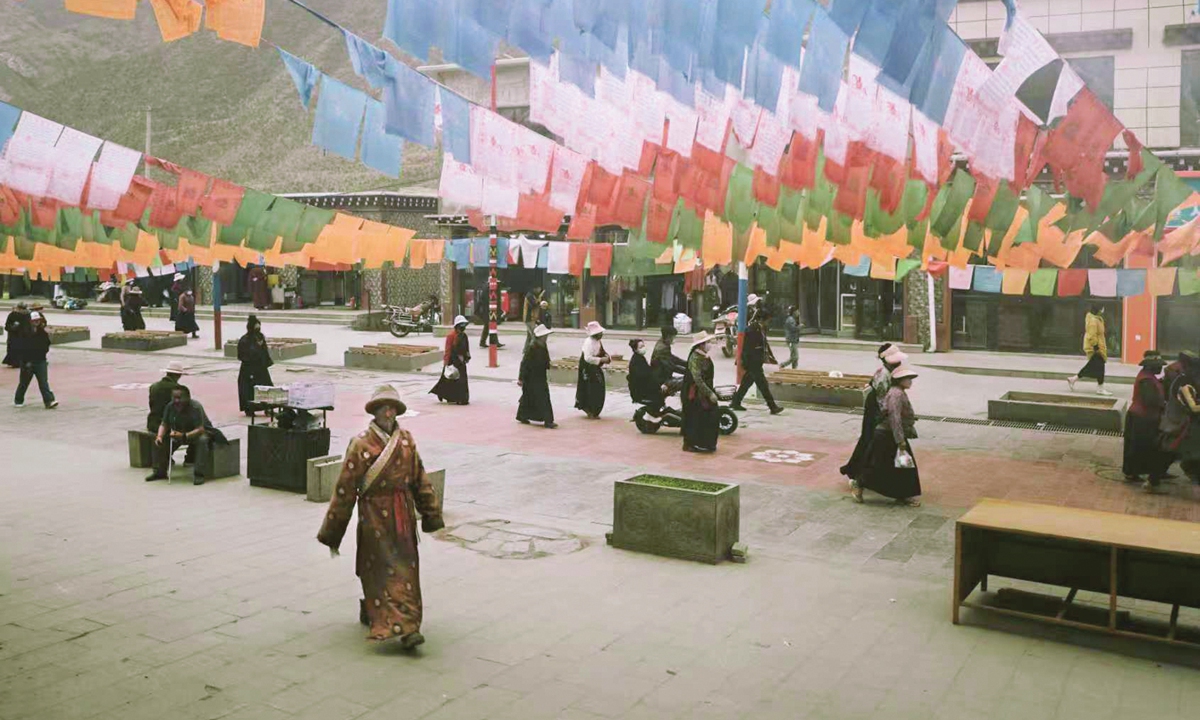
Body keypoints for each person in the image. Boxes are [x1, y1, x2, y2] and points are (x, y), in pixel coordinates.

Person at [317, 385, 444, 649]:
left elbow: (419, 478)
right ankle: (398, 624)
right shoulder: (360, 443)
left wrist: (431, 513)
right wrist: (333, 531)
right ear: (375, 412)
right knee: (379, 569)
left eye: (392, 408)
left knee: (406, 569)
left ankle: (404, 623)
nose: (388, 413)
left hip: (402, 514)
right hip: (373, 515)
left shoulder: (406, 440)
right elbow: (345, 489)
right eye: (383, 408)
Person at [852, 364, 922, 506]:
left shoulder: (899, 392)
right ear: (899, 380)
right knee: (878, 465)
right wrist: (900, 440)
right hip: (886, 435)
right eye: (907, 378)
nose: (910, 381)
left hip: (892, 433)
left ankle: (903, 494)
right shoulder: (896, 394)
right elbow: (894, 418)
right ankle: (859, 485)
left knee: (903, 466)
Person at [840, 344, 908, 482]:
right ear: (885, 361)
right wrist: (887, 417)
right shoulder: (883, 375)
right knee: (870, 439)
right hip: (875, 407)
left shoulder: (889, 371)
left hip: (878, 404)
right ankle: (857, 472)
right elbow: (883, 400)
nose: (899, 363)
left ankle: (856, 469)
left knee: (869, 439)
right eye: (895, 361)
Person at [146, 386, 214, 485]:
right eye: (174, 398)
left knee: (202, 441)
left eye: (179, 398)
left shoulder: (196, 407)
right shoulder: (170, 406)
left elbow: (200, 429)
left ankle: (199, 474)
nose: (176, 401)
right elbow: (164, 424)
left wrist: (184, 435)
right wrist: (159, 436)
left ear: (187, 398)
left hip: (197, 433)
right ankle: (159, 472)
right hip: (179, 433)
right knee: (159, 440)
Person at [1123, 351, 1170, 490]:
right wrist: (1164, 405)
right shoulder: (1147, 380)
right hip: (1142, 418)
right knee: (1140, 446)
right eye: (1158, 365)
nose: (1160, 368)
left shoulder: (1149, 377)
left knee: (1139, 446)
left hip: (1142, 416)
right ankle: (1133, 473)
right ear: (1150, 366)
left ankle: (1136, 472)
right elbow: (1150, 400)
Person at [729, 311, 784, 415]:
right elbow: (748, 347)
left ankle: (735, 402)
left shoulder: (761, 328)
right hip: (753, 362)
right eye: (768, 320)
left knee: (746, 383)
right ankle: (772, 407)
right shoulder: (752, 330)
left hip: (756, 362)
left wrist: (770, 357)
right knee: (763, 386)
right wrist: (746, 362)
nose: (768, 323)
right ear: (762, 319)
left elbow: (764, 344)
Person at [1161, 353, 1200, 484]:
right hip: (1179, 423)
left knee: (1175, 452)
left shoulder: (1183, 379)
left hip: (1181, 422)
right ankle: (1153, 480)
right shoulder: (1184, 384)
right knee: (1173, 451)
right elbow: (1193, 407)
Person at [681, 333, 720, 453]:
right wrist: (709, 393)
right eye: (707, 342)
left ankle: (706, 443)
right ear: (701, 345)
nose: (709, 344)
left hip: (704, 391)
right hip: (696, 394)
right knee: (695, 418)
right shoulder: (695, 358)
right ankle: (691, 443)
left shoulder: (703, 356)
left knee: (709, 417)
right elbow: (697, 379)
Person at [12, 311, 57, 409]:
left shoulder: (42, 332)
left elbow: (46, 344)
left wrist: (43, 353)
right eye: (35, 320)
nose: (37, 322)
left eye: (38, 320)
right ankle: (18, 400)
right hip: (27, 362)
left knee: (43, 382)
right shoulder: (24, 332)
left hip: (40, 361)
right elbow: (21, 348)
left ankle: (49, 401)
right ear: (30, 321)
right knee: (24, 382)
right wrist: (26, 361)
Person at [517, 324, 557, 428]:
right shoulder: (532, 348)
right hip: (530, 376)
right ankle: (548, 420)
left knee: (530, 396)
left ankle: (522, 415)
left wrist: (549, 365)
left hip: (540, 375)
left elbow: (546, 360)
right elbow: (524, 363)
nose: (546, 338)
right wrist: (521, 378)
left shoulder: (543, 346)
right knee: (538, 397)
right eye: (544, 336)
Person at [1068, 304, 1110, 395]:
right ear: (1098, 310)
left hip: (1098, 346)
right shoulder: (1093, 321)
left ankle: (1073, 379)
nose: (1103, 310)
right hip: (1094, 348)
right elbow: (1092, 335)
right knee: (1099, 367)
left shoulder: (1097, 318)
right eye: (1102, 308)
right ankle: (1100, 388)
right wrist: (1096, 347)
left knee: (1094, 366)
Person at [237, 315, 274, 416]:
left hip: (261, 368)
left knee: (266, 387)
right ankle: (250, 409)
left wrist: (265, 361)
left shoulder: (260, 337)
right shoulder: (245, 340)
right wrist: (256, 348)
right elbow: (242, 355)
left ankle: (268, 407)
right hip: (249, 369)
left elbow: (264, 351)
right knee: (249, 390)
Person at [430, 315, 471, 405]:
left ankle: (462, 399)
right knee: (450, 380)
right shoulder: (451, 336)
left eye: (464, 325)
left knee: (462, 380)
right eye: (461, 325)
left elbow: (466, 348)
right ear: (457, 326)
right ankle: (448, 396)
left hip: (461, 362)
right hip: (453, 360)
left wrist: (466, 357)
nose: (463, 327)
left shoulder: (464, 336)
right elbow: (448, 350)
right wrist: (446, 363)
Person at [575, 321, 610, 418]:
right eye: (600, 333)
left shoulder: (598, 341)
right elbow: (587, 358)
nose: (601, 334)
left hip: (595, 366)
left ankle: (595, 409)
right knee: (589, 388)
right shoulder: (588, 342)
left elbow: (602, 351)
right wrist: (601, 360)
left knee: (599, 387)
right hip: (587, 368)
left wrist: (607, 357)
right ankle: (589, 409)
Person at [148, 361, 190, 433]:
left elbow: (152, 405)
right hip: (170, 427)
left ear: (167, 373)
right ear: (179, 375)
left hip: (152, 424)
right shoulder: (181, 389)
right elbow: (185, 410)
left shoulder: (154, 386)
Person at [626, 338, 663, 413]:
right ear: (635, 349)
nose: (643, 348)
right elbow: (644, 376)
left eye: (643, 346)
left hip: (643, 387)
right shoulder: (636, 361)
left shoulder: (640, 358)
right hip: (641, 391)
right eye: (641, 347)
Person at [651, 325, 687, 397]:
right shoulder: (662, 348)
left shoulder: (663, 343)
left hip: (662, 377)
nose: (674, 339)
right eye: (673, 337)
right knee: (688, 381)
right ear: (668, 337)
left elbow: (672, 358)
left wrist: (686, 364)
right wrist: (688, 371)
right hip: (662, 381)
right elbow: (672, 367)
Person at [3, 302, 30, 368]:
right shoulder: (29, 315)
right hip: (24, 337)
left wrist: (12, 327)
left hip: (14, 336)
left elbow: (7, 326)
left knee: (13, 350)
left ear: (18, 308)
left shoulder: (13, 315)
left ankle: (14, 362)